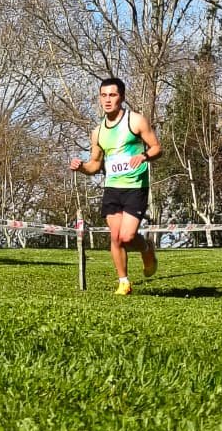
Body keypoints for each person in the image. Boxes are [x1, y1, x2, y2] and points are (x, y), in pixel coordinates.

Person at [69, 77, 161, 295]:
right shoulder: (98, 132)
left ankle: (147, 248)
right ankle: (123, 282)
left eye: (112, 95)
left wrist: (144, 156)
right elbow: (94, 165)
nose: (107, 100)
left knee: (127, 236)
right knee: (115, 236)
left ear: (122, 97)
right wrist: (81, 167)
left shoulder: (135, 121)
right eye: (103, 95)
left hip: (135, 186)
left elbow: (157, 148)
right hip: (112, 188)